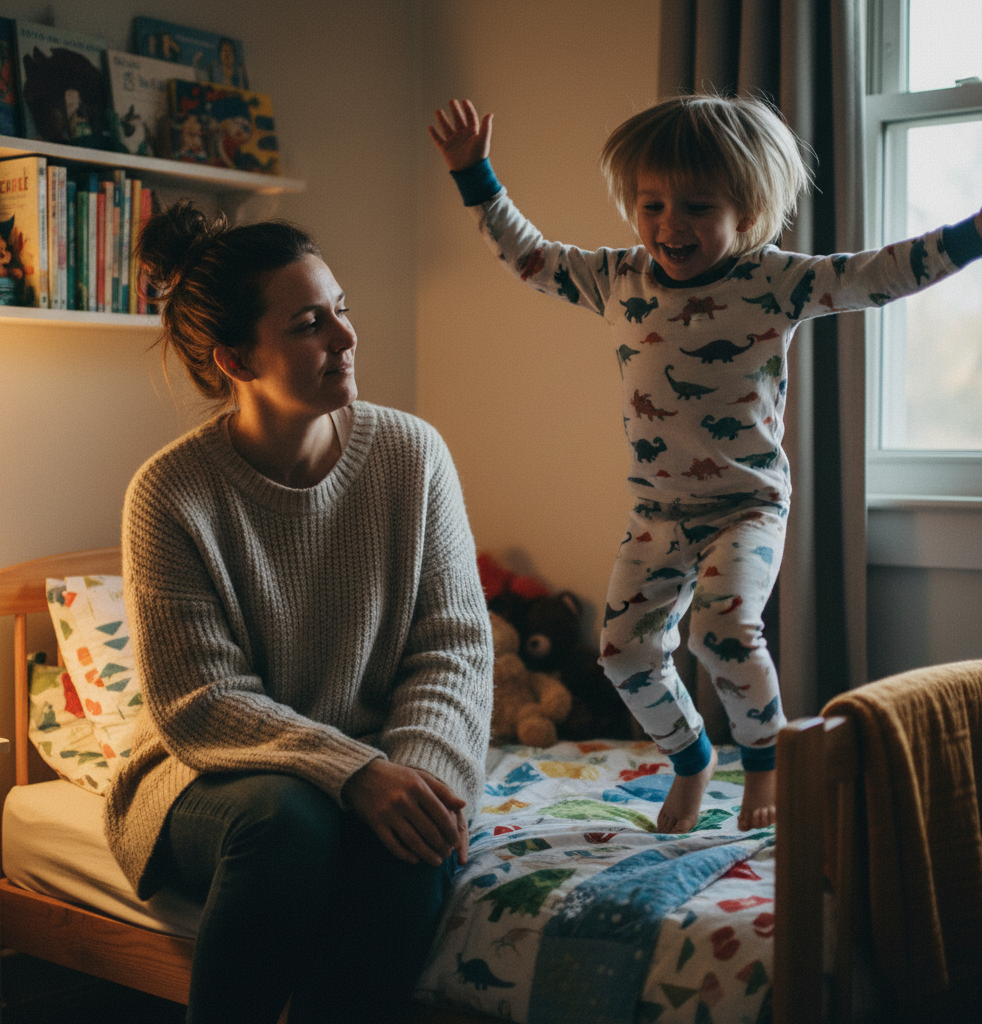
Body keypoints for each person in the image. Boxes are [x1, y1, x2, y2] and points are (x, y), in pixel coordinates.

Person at [429, 95, 982, 835]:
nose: (668, 225)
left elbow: (878, 274)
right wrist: (476, 176)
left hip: (747, 505)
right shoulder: (618, 276)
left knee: (721, 628)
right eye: (651, 204)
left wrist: (972, 235)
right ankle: (691, 760)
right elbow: (531, 257)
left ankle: (764, 761)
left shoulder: (773, 280)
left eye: (695, 206)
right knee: (623, 654)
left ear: (746, 212)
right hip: (657, 512)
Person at [103, 199, 493, 1024]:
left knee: (410, 846)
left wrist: (417, 774)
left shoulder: (412, 455)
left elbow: (452, 645)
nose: (346, 338)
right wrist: (353, 772)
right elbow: (201, 700)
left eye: (342, 310)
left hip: (382, 759)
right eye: (311, 324)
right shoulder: (170, 494)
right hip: (211, 773)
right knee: (291, 826)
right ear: (236, 358)